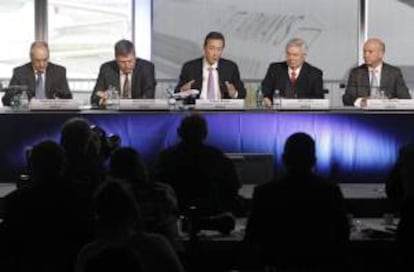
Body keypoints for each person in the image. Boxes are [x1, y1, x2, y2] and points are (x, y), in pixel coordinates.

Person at [244, 132, 350, 271]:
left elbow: (252, 238)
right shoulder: (330, 191)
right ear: (314, 160)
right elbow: (342, 236)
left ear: (283, 159)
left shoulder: (264, 193)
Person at [155, 113, 241, 217]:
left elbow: (157, 188)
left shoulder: (165, 158)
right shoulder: (217, 157)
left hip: (175, 213)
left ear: (179, 132)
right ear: (205, 133)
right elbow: (233, 188)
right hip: (212, 214)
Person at [175, 31, 246, 102]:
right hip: (197, 111)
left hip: (222, 110)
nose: (215, 53)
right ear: (204, 47)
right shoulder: (189, 67)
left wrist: (234, 94)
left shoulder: (230, 67)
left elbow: (242, 94)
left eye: (219, 49)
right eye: (212, 48)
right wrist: (183, 91)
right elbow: (176, 94)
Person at [343, 37, 410, 107]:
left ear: (381, 54)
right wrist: (362, 101)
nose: (365, 55)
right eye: (364, 51)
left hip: (386, 115)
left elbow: (405, 98)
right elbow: (347, 99)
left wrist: (389, 102)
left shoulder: (394, 73)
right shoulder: (356, 73)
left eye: (370, 52)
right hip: (363, 115)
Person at [2, 41, 72, 106]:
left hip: (51, 114)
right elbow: (6, 100)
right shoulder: (20, 72)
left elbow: (68, 98)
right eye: (37, 61)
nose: (41, 64)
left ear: (48, 57)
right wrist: (19, 100)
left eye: (45, 60)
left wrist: (58, 100)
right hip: (27, 115)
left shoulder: (59, 72)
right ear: (31, 58)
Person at [90, 39, 156, 107]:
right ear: (116, 59)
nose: (127, 65)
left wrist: (125, 104)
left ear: (135, 57)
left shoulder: (146, 68)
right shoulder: (106, 69)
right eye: (122, 62)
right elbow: (95, 97)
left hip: (138, 113)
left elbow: (148, 98)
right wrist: (101, 99)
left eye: (130, 61)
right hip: (114, 113)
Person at [261, 37, 324, 107]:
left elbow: (318, 99)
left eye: (295, 55)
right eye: (288, 54)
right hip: (278, 113)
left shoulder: (315, 74)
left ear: (304, 56)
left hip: (304, 115)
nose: (291, 58)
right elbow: (265, 90)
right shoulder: (275, 69)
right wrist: (266, 98)